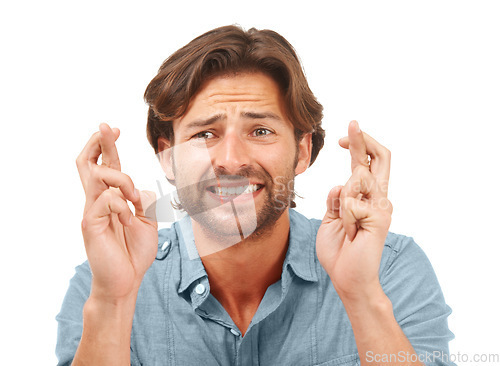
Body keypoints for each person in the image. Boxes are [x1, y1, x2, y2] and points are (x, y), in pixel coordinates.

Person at [56, 25, 455, 366]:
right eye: (205, 134)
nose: (230, 160)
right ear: (168, 158)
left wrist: (363, 295)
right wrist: (113, 301)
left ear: (301, 151)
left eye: (260, 131)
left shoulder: (388, 270)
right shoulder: (102, 282)